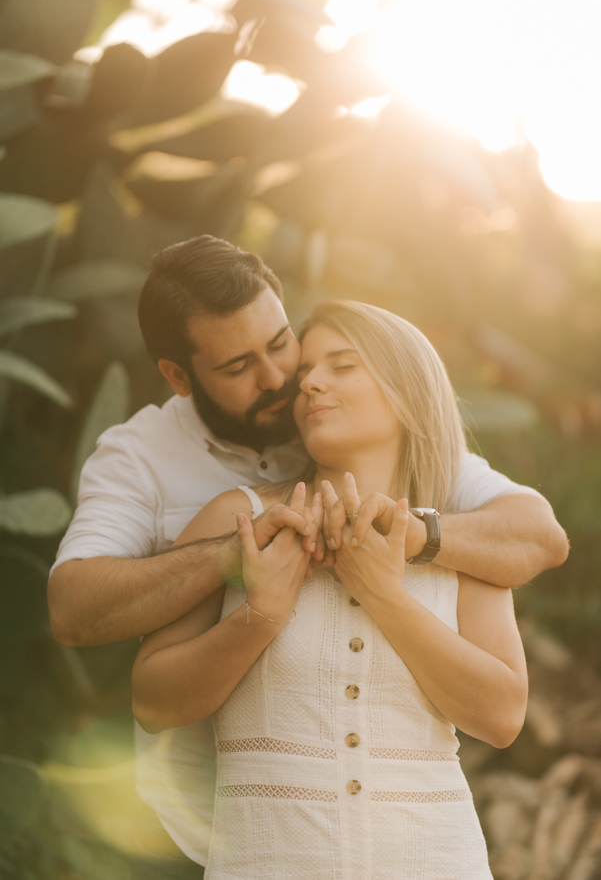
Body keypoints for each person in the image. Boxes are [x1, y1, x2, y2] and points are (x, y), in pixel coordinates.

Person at [47, 236, 567, 874]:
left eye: (288, 349)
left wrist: (395, 568)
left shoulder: (456, 517)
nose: (293, 381)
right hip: (217, 839)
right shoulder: (164, 472)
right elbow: (87, 623)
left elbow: (536, 550)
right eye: (238, 367)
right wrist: (249, 588)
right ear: (180, 377)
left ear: (403, 390)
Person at [131, 300, 530, 879]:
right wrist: (261, 615)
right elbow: (152, 702)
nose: (310, 383)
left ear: (406, 389)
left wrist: (385, 596)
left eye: (342, 366)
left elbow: (503, 716)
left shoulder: (460, 538)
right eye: (306, 375)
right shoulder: (237, 520)